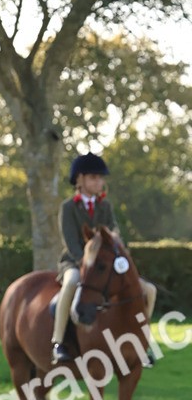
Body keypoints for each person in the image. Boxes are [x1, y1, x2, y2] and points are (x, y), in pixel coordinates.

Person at [52, 152, 157, 365]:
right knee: (71, 283)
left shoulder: (105, 206)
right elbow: (71, 242)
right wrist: (86, 262)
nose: (99, 182)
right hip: (75, 262)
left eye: (101, 178)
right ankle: (58, 341)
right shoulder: (68, 208)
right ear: (80, 179)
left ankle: (142, 338)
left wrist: (117, 243)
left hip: (105, 264)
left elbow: (114, 230)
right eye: (94, 177)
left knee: (149, 290)